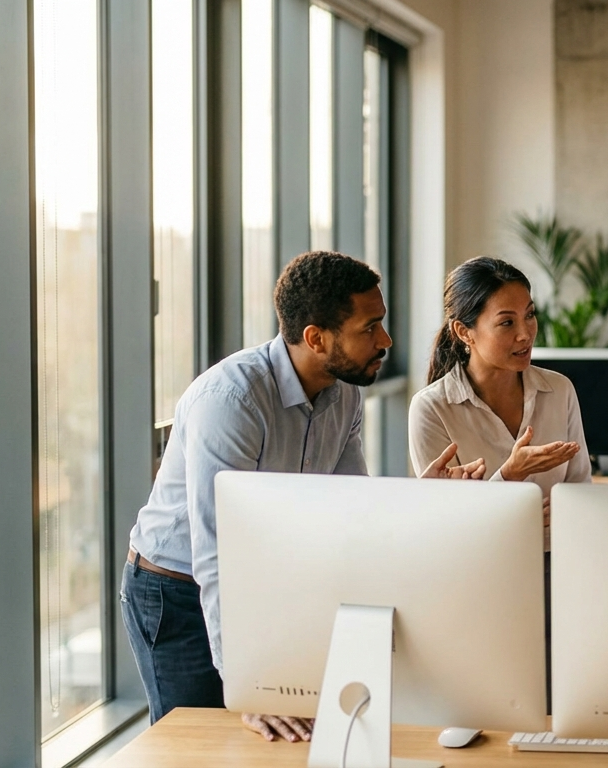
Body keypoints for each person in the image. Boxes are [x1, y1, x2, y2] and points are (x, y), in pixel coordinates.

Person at [123, 251, 483, 742]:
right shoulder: (232, 403)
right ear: (316, 338)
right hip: (177, 587)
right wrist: (250, 687)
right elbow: (216, 553)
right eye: (369, 327)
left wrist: (419, 500)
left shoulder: (345, 394)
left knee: (274, 738)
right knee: (196, 741)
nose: (386, 340)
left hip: (264, 578)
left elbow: (348, 511)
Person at [409, 256, 590, 536]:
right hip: (481, 565)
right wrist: (510, 475)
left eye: (529, 315)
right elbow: (443, 521)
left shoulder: (559, 389)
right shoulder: (432, 408)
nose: (525, 334)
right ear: (463, 332)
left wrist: (568, 511)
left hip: (561, 556)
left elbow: (580, 488)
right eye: (507, 323)